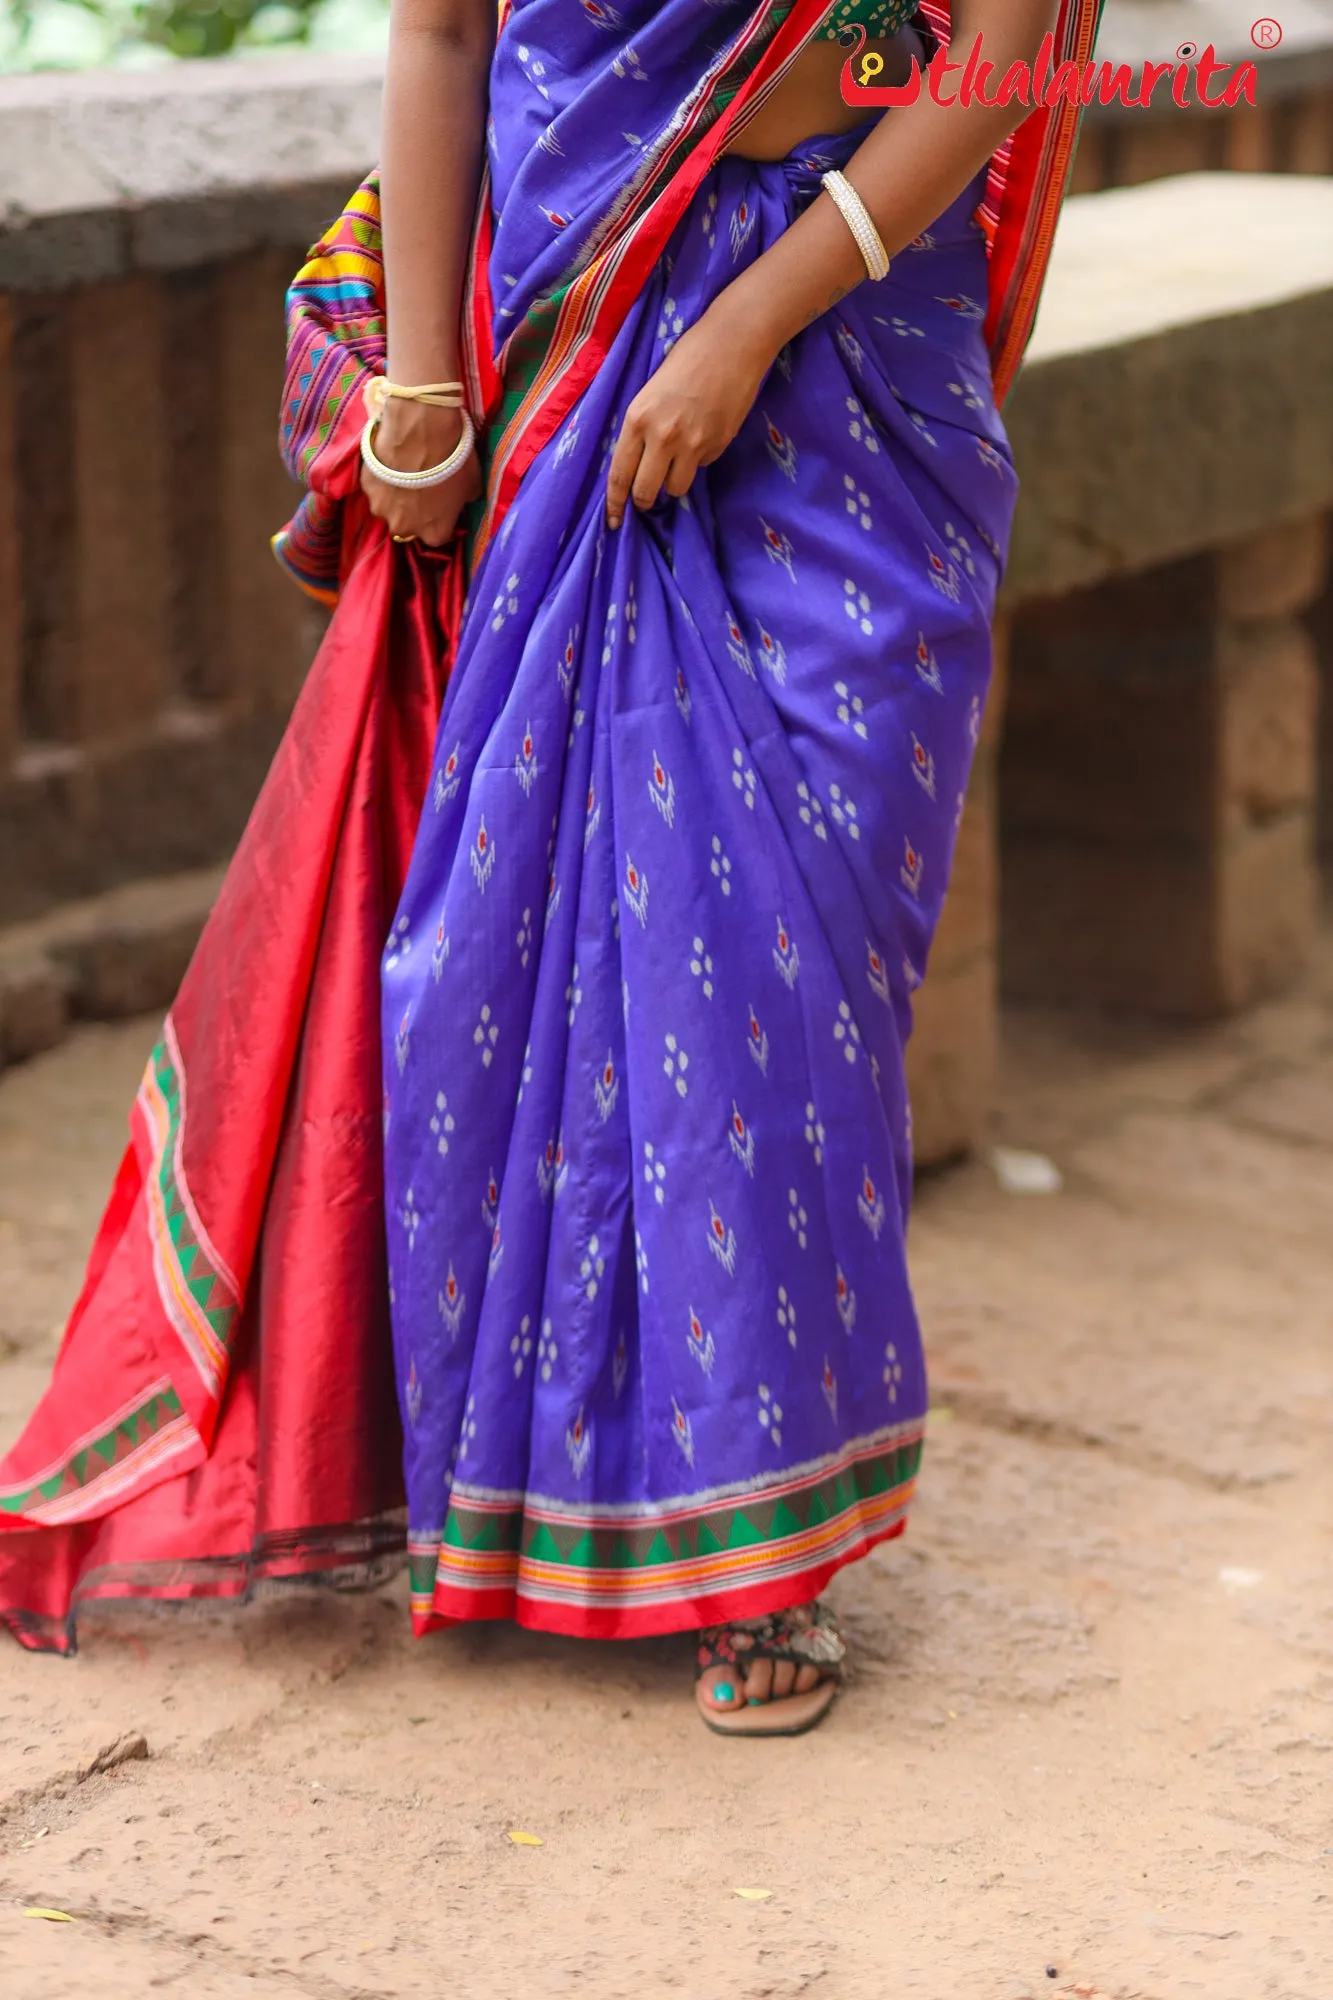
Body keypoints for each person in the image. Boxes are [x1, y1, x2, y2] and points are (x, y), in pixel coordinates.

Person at [0, 0, 1095, 1736]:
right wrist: (424, 388)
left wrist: (750, 322)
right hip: (572, 334)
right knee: (519, 939)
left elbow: (1008, 38)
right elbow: (442, 33)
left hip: (857, 352)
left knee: (788, 952)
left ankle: (761, 1548)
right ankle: (532, 1502)